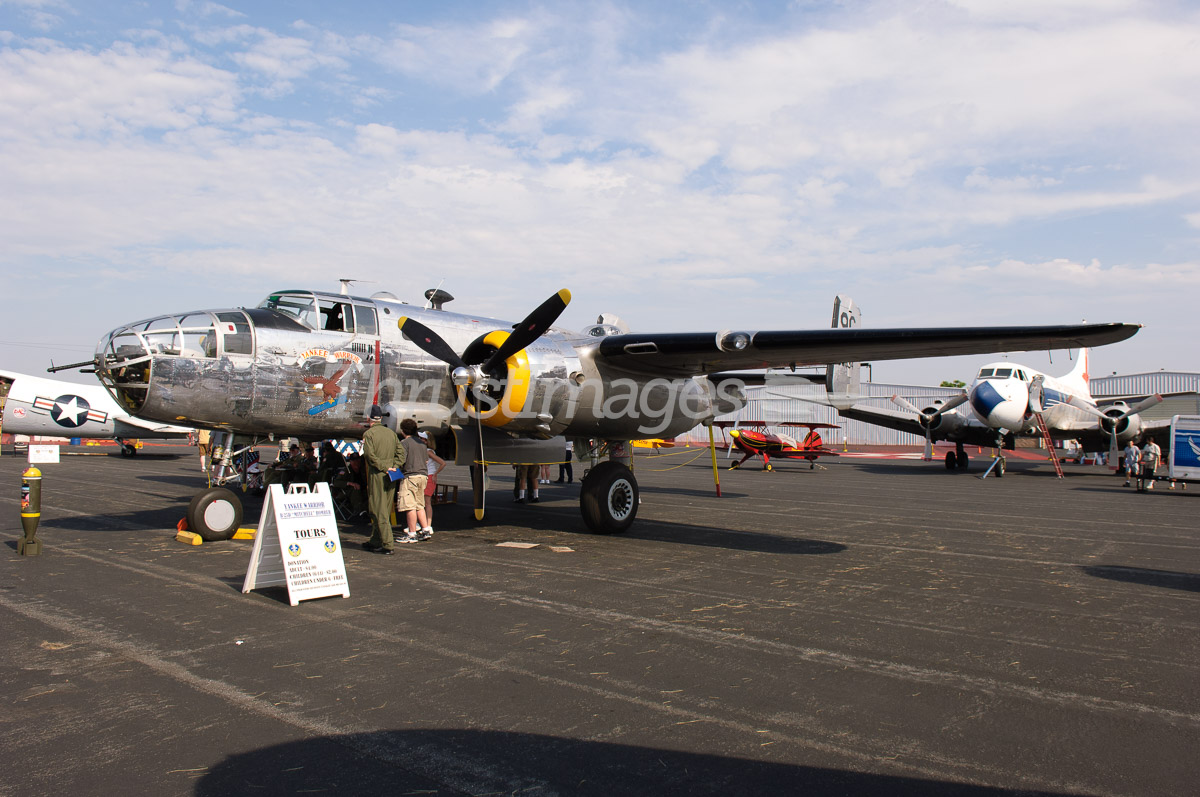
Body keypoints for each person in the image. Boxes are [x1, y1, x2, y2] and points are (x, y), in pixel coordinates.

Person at [363, 405, 406, 555]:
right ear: (381, 418)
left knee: (377, 509)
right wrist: (394, 466)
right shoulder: (391, 433)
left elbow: (369, 456)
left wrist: (384, 467)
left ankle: (388, 544)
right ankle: (375, 541)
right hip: (392, 475)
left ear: (368, 418)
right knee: (385, 508)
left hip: (378, 475)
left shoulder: (369, 434)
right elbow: (401, 454)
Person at [396, 419, 431, 541]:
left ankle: (412, 534)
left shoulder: (404, 443)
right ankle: (425, 530)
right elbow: (426, 460)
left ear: (403, 431)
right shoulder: (422, 443)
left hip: (410, 476)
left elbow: (401, 459)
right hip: (423, 475)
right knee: (419, 504)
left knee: (409, 506)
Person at [420, 432, 447, 530]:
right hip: (424, 476)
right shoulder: (426, 451)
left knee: (427, 502)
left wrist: (435, 474)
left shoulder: (428, 452)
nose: (420, 440)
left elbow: (442, 463)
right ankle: (423, 523)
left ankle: (428, 524)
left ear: (427, 441)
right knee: (422, 502)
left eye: (422, 438)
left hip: (429, 476)